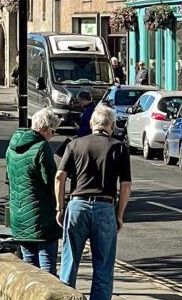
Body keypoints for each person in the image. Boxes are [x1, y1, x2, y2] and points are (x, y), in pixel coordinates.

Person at [56, 104, 132, 300]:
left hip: (76, 205)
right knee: (104, 266)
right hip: (105, 207)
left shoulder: (74, 144)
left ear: (91, 124)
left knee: (69, 262)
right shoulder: (119, 147)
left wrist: (60, 207)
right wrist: (119, 215)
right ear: (112, 126)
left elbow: (59, 177)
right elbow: (125, 186)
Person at [7, 109, 63, 273]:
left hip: (18, 214)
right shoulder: (41, 147)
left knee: (28, 265)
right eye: (53, 131)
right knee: (47, 267)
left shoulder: (11, 148)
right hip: (41, 217)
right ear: (45, 129)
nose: (52, 135)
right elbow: (51, 182)